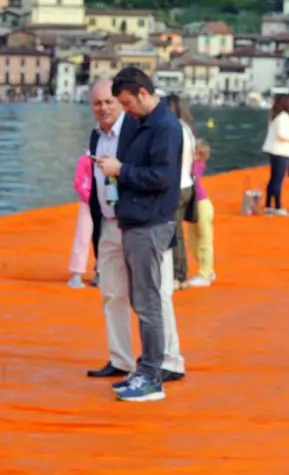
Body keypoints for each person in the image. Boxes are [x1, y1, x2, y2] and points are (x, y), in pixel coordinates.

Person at [85, 78, 186, 385]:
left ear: (123, 103)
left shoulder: (144, 128)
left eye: (110, 103)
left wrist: (120, 170)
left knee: (157, 295)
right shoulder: (95, 136)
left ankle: (168, 360)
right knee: (113, 293)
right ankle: (121, 358)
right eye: (97, 104)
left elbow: (162, 175)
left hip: (144, 222)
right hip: (109, 221)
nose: (103, 109)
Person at [164, 94, 196, 288]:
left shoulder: (173, 130)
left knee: (172, 233)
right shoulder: (188, 129)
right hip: (187, 185)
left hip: (176, 187)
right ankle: (180, 273)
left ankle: (177, 275)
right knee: (178, 233)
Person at [261, 93, 289, 216]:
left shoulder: (276, 116)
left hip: (275, 150)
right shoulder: (283, 117)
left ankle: (269, 205)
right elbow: (282, 134)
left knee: (274, 178)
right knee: (278, 180)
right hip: (280, 151)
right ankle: (277, 206)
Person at [186, 139, 216, 286]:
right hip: (194, 205)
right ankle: (207, 269)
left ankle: (205, 273)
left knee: (204, 239)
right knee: (193, 241)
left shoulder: (196, 166)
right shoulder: (192, 165)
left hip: (202, 204)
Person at [67, 152, 94, 289]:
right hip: (88, 203)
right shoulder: (84, 160)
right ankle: (76, 273)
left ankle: (102, 273)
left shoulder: (110, 158)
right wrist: (89, 198)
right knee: (82, 238)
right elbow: (78, 183)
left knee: (105, 239)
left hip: (106, 203)